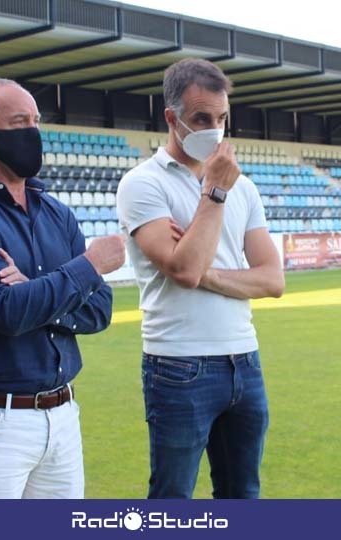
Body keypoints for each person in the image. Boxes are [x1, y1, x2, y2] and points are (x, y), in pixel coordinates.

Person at [0, 77, 125, 499]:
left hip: (61, 415)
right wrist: (87, 267)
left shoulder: (56, 214)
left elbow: (100, 310)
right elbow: (7, 313)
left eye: (35, 121)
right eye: (18, 122)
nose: (33, 132)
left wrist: (34, 291)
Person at [116, 58, 285, 499]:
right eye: (202, 119)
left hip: (244, 362)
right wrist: (214, 191)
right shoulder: (143, 184)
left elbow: (271, 280)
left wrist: (203, 271)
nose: (215, 129)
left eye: (222, 118)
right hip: (178, 365)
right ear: (172, 119)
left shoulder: (244, 188)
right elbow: (183, 269)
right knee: (173, 499)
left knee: (242, 493)